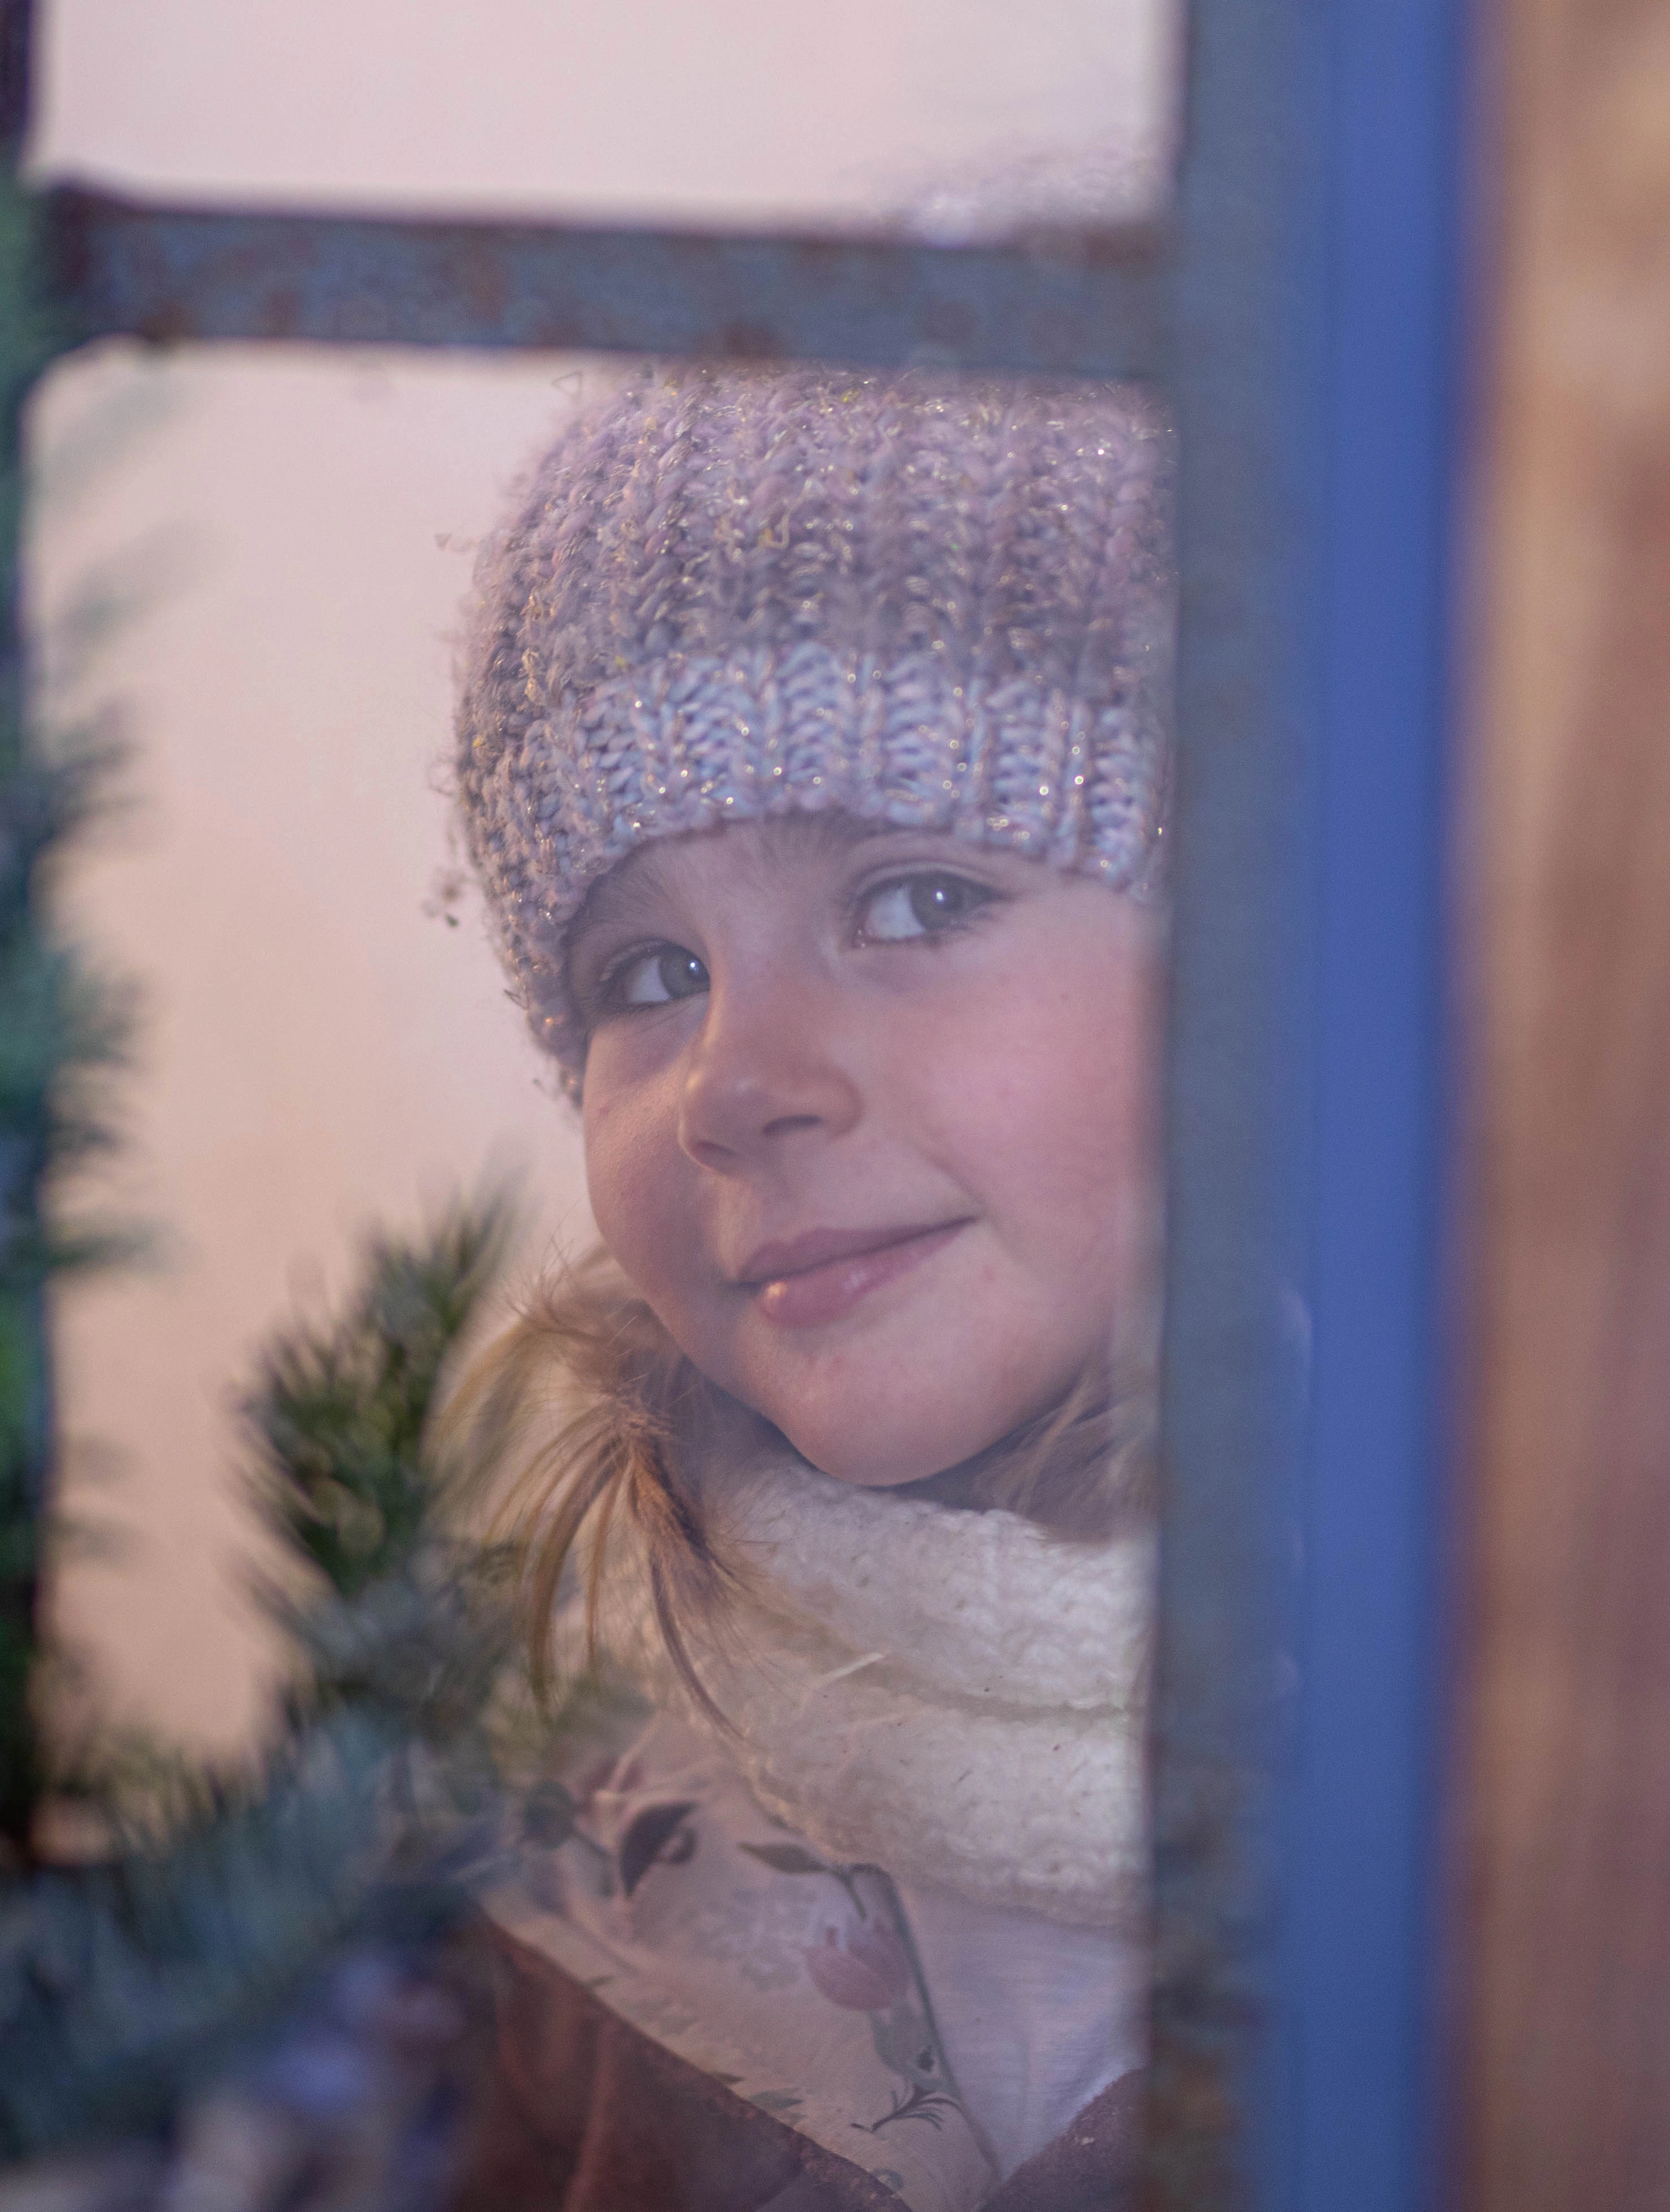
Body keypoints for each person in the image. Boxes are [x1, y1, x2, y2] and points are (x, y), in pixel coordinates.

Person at [438, 365, 1168, 2212]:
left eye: (917, 902)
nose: (736, 1083)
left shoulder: (1602, 1761)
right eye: (647, 972)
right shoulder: (553, 1824)